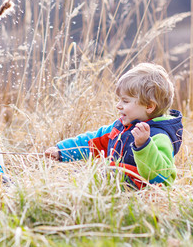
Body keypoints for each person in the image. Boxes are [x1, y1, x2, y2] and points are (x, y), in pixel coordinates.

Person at [45, 63, 183, 189]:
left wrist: (144, 146)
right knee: (75, 176)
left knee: (101, 174)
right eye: (119, 100)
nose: (118, 105)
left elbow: (159, 175)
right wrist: (62, 151)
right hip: (115, 187)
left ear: (149, 106)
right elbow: (92, 142)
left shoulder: (159, 136)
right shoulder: (120, 128)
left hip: (146, 197)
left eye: (125, 101)